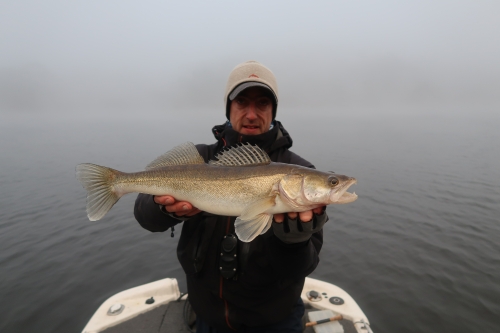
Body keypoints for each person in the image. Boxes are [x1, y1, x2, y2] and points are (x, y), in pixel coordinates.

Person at [134, 60, 329, 332]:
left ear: (273, 111)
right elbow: (145, 216)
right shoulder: (200, 159)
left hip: (274, 320)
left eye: (262, 103)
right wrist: (162, 208)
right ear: (229, 108)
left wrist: (294, 240)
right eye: (241, 102)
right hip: (208, 315)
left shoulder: (300, 170)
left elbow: (302, 267)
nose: (251, 114)